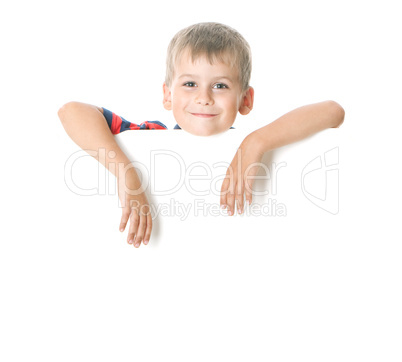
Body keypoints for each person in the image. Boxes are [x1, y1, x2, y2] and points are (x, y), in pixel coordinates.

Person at [58, 22, 345, 248]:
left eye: (220, 86)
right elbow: (71, 111)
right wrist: (125, 172)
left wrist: (256, 142)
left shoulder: (246, 150)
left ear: (245, 100)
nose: (204, 98)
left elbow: (333, 111)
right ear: (168, 95)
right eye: (190, 83)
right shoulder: (150, 134)